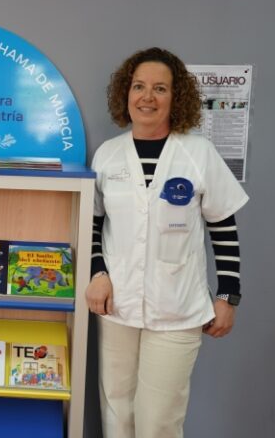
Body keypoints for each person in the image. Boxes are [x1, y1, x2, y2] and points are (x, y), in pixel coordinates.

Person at [86, 47, 248, 438]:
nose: (148, 97)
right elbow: (92, 224)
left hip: (176, 307)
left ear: (176, 98)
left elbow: (223, 228)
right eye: (139, 86)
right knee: (116, 411)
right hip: (116, 305)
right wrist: (97, 273)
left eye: (160, 88)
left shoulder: (197, 154)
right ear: (126, 94)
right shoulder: (108, 156)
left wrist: (228, 295)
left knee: (159, 419)